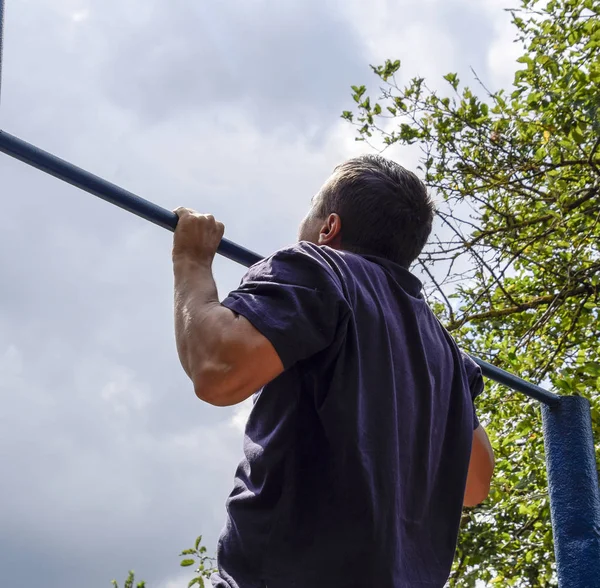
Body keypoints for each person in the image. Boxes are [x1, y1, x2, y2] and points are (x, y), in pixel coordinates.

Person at [172, 154, 495, 588]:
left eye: (311, 208)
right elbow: (475, 483)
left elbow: (218, 370)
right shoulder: (448, 355)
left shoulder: (320, 267)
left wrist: (192, 261)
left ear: (329, 228)